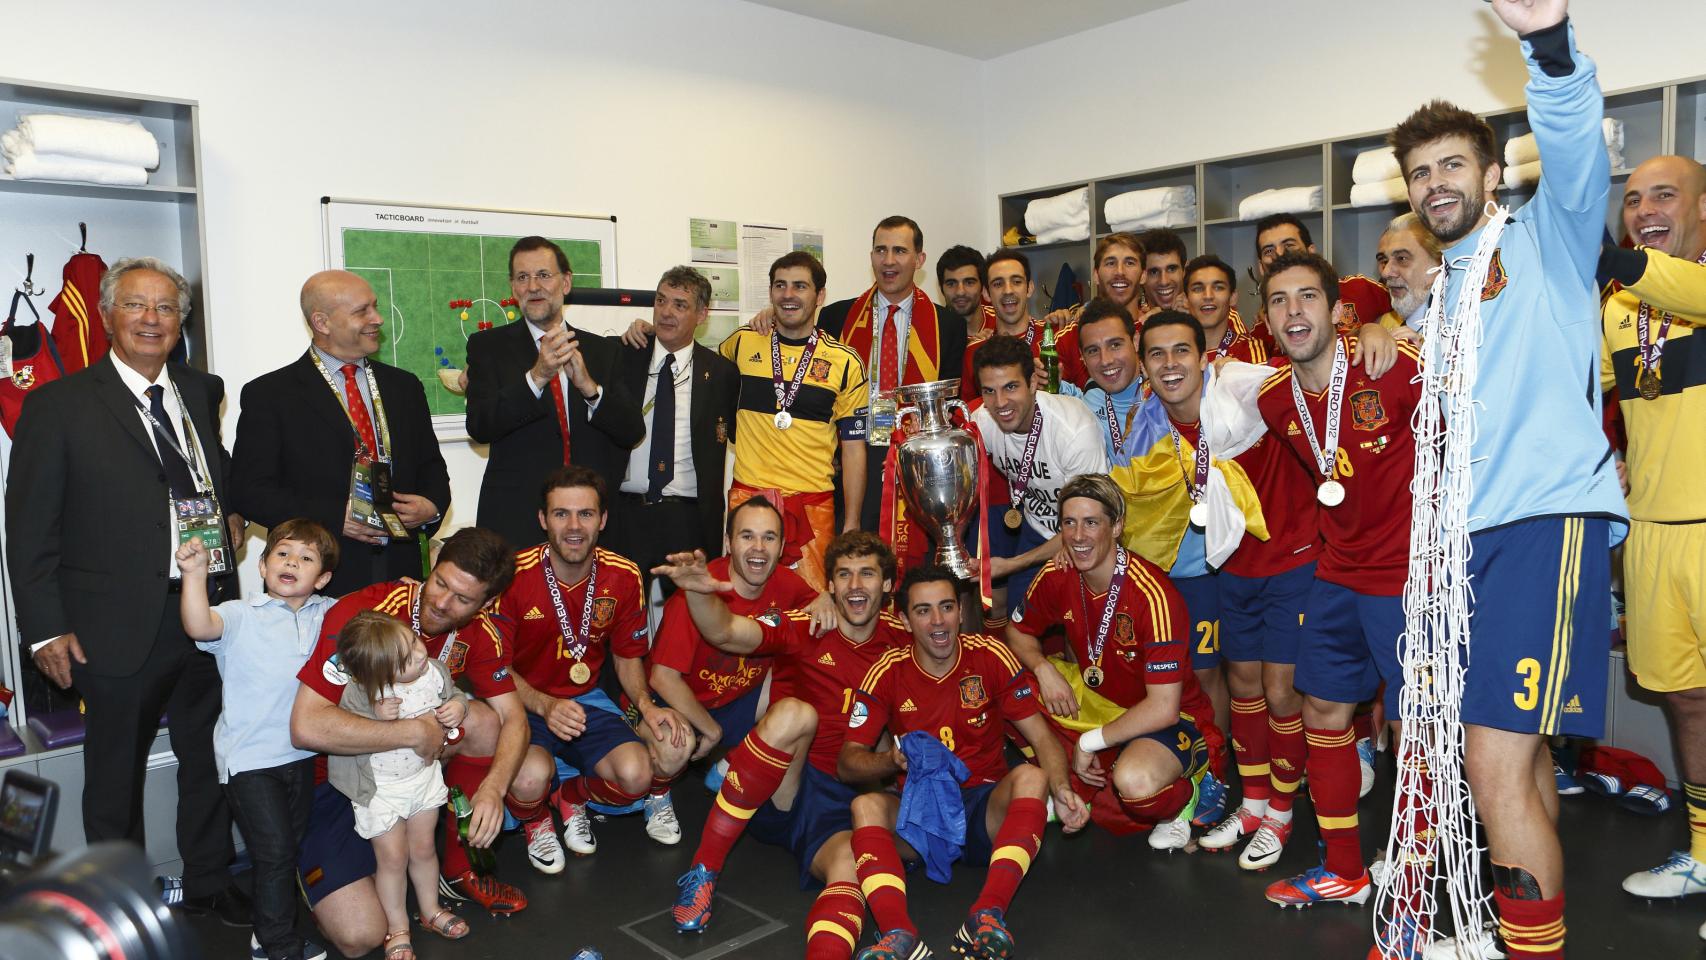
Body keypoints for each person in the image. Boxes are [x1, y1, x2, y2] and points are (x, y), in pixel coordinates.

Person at [1392, 5, 1622, 956]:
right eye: (1420, 173)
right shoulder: (1441, 296)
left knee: (1491, 765)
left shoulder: (1546, 244)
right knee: (1513, 773)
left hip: (1543, 524)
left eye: (1452, 165)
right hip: (1467, 546)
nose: (1435, 183)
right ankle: (1522, 937)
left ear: (1492, 175)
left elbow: (1575, 150)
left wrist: (1552, 46)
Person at [7, 256, 250, 925]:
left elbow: (210, 474)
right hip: (111, 624)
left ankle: (206, 880)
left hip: (205, 614)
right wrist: (45, 627)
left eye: (166, 308)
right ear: (109, 316)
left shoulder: (202, 390)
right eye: (137, 306)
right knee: (114, 780)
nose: (152, 319)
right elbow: (28, 526)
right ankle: (120, 909)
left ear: (181, 322)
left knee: (209, 760)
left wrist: (232, 516)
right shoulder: (58, 405)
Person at [1252, 252, 1424, 931]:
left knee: (1417, 730)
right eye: (1279, 301)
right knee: (1321, 706)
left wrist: (1391, 325)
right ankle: (1345, 868)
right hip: (1335, 575)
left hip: (1408, 576)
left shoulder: (1393, 366)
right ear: (1266, 320)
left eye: (1307, 298)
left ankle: (1413, 884)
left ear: (1334, 310)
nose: (1294, 311)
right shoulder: (1272, 401)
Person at [657, 532, 910, 958]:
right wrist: (700, 594)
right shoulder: (805, 623)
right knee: (796, 712)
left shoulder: (902, 642)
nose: (854, 586)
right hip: (786, 785)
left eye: (867, 574)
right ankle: (704, 870)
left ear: (887, 585)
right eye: (843, 575)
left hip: (850, 801)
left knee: (850, 873)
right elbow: (727, 631)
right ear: (829, 585)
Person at [290, 528, 528, 956]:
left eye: (462, 598)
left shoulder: (483, 632)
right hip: (346, 783)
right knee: (360, 935)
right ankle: (313, 867)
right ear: (430, 568)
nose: (441, 602)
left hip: (414, 780)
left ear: (486, 604)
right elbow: (306, 727)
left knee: (487, 723)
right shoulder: (367, 615)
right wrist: (413, 731)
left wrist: (494, 788)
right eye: (440, 583)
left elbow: (514, 718)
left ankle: (456, 870)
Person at [1141, 311, 1320, 873]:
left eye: (1181, 352)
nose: (1171, 364)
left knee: (1281, 691)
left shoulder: (1238, 388)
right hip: (1236, 568)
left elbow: (1307, 369)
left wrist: (1367, 335)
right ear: (1145, 368)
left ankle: (1283, 814)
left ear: (1204, 357)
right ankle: (1254, 803)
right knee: (1244, 688)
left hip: (1293, 558)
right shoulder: (1161, 425)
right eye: (1158, 355)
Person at [840, 565, 1088, 960]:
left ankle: (987, 914)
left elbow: (1042, 737)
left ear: (960, 610)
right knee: (864, 805)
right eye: (923, 611)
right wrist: (892, 759)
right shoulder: (886, 671)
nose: (938, 622)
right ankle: (898, 934)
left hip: (981, 813)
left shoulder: (990, 656)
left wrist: (1063, 792)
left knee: (1032, 777)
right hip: (919, 818)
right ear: (904, 620)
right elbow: (848, 763)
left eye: (946, 607)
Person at [1599, 156, 1706, 932]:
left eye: (1663, 194)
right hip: (1652, 535)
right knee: (1686, 701)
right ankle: (1703, 853)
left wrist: (1603, 254)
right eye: (1632, 200)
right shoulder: (1621, 308)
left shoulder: (1665, 283)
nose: (1643, 208)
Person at [1008, 475, 1222, 850]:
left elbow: (1163, 707)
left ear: (1118, 526)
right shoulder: (1058, 574)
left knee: (1135, 785)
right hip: (1098, 702)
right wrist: (1042, 668)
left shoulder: (1152, 596)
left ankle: (1186, 795)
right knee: (1004, 684)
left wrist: (1089, 742)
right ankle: (1063, 787)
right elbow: (1017, 632)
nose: (1078, 536)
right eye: (1069, 523)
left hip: (1164, 718)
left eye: (1091, 522)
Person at [494, 466, 693, 866]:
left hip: (588, 700)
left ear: (602, 520)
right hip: (525, 704)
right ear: (542, 519)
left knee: (643, 769)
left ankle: (572, 795)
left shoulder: (624, 574)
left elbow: (627, 656)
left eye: (585, 514)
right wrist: (545, 706)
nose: (573, 526)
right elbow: (494, 667)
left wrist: (646, 705)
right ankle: (535, 821)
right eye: (561, 513)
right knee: (529, 777)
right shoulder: (512, 575)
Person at [231, 270, 451, 597]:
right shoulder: (270, 394)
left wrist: (431, 507)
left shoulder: (404, 386)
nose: (377, 318)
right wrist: (335, 517)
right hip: (318, 579)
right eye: (362, 311)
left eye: (374, 307)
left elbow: (432, 467)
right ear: (322, 322)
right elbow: (250, 492)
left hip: (400, 574)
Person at [177, 519, 339, 960]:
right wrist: (195, 575)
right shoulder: (239, 614)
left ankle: (266, 929)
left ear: (322, 578)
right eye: (283, 554)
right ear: (263, 566)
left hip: (301, 755)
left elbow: (379, 614)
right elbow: (198, 625)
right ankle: (278, 946)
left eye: (306, 558)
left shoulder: (328, 613)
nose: (292, 562)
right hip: (248, 760)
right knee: (275, 854)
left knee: (286, 852)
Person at [463, 236, 642, 550]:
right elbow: (480, 426)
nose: (533, 286)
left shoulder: (603, 351)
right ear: (512, 287)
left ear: (567, 282)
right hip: (518, 518)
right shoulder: (487, 347)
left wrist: (590, 389)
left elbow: (631, 431)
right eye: (522, 277)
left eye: (544, 275)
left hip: (590, 523)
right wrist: (536, 377)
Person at [719, 252, 869, 589]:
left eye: (799, 286)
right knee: (743, 604)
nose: (788, 295)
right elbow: (697, 366)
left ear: (820, 296)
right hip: (748, 501)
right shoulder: (741, 344)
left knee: (811, 607)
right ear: (771, 294)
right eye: (780, 286)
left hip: (812, 505)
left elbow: (854, 449)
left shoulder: (846, 363)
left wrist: (853, 521)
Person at [328, 611, 471, 960]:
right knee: (392, 858)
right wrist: (373, 715)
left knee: (423, 849)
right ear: (381, 673)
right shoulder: (363, 691)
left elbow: (456, 695)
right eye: (406, 658)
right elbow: (344, 727)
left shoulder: (433, 672)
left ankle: (430, 910)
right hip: (380, 790)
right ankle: (397, 926)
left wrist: (456, 706)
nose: (420, 655)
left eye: (415, 642)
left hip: (422, 779)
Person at [649, 497, 823, 780]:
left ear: (781, 548)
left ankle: (736, 761)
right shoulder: (696, 593)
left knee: (817, 674)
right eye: (747, 536)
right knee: (673, 749)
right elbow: (662, 678)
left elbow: (815, 604)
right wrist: (710, 728)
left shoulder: (786, 583)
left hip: (739, 701)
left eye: (769, 537)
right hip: (679, 702)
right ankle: (655, 793)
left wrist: (826, 599)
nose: (759, 548)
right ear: (729, 543)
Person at [817, 216, 968, 531]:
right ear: (870, 255)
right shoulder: (836, 317)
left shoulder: (948, 325)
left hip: (919, 462)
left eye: (899, 251)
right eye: (880, 250)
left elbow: (953, 402)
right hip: (853, 455)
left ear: (919, 259)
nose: (888, 261)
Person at [610, 266, 739, 590]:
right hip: (626, 515)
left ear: (702, 314)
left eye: (680, 305)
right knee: (616, 619)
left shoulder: (721, 373)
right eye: (661, 301)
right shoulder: (623, 355)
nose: (666, 312)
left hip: (689, 519)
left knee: (689, 625)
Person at [970, 334, 1109, 613]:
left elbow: (1094, 519)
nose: (1000, 403)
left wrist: (1010, 565)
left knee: (1083, 626)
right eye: (989, 391)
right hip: (1036, 531)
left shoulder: (1073, 430)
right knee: (1019, 623)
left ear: (1033, 383)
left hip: (1091, 535)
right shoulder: (982, 422)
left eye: (1011, 387)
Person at [1253, 213, 1394, 336]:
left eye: (1289, 245)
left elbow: (1409, 310)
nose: (1280, 254)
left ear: (1311, 252)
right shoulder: (1262, 331)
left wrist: (1374, 331)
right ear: (1261, 267)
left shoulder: (1360, 289)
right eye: (1269, 251)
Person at [959, 249, 1048, 401]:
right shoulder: (974, 351)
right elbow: (968, 415)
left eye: (1017, 281)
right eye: (998, 284)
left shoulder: (1057, 338)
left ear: (1030, 288)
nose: (1008, 290)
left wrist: (1057, 385)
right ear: (986, 294)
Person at [1184, 254, 1270, 363]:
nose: (1208, 296)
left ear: (1233, 298)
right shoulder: (1172, 352)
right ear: (1186, 300)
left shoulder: (1251, 349)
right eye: (1198, 289)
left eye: (1218, 288)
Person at [1375, 212, 1443, 331]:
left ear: (1439, 262)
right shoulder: (1384, 330)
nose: (1385, 273)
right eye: (1384, 260)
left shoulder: (1464, 329)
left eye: (1402, 258)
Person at [937, 244, 995, 340]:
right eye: (951, 284)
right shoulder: (932, 330)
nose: (960, 292)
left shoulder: (1000, 321)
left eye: (969, 282)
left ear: (983, 286)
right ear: (941, 288)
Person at [1137, 229, 1189, 314]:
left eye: (1171, 269)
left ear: (1184, 270)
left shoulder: (1200, 317)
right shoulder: (1130, 323)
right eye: (1154, 272)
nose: (1164, 282)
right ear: (1141, 276)